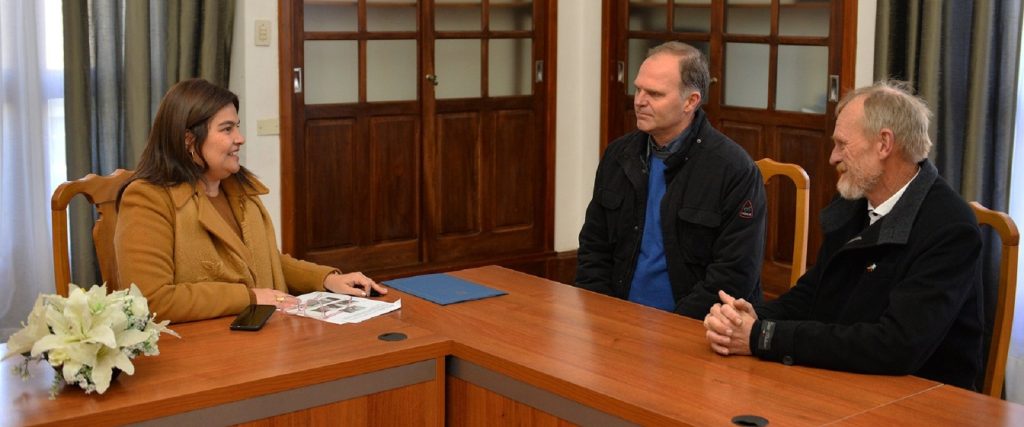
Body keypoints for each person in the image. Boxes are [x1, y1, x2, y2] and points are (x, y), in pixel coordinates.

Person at [703, 81, 984, 390]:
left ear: (884, 144)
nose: (832, 158)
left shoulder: (950, 229)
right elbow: (812, 294)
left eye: (842, 144)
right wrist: (750, 318)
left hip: (920, 397)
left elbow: (896, 346)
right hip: (846, 375)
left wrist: (763, 337)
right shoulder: (854, 201)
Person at [115, 78, 387, 323]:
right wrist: (250, 297)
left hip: (266, 333)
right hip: (204, 347)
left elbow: (266, 262)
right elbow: (151, 300)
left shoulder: (239, 190)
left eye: (237, 127)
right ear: (189, 140)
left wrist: (327, 279)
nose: (240, 139)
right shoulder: (148, 198)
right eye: (227, 129)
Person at [575, 41, 766, 319]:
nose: (639, 101)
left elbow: (734, 275)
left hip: (694, 325)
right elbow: (593, 247)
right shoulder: (619, 154)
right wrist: (602, 311)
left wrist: (673, 327)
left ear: (691, 101)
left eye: (654, 93)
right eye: (638, 89)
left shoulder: (733, 169)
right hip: (616, 318)